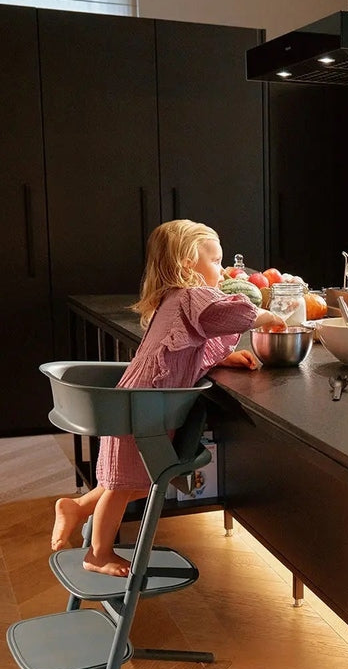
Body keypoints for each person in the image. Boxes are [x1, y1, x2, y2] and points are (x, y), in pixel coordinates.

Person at [51, 219, 284, 576]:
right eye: (216, 261)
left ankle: (78, 507)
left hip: (144, 403)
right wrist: (265, 315)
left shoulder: (174, 298)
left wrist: (223, 357)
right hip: (142, 406)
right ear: (188, 262)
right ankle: (97, 554)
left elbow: (184, 347)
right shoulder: (192, 295)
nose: (221, 271)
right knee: (121, 486)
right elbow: (226, 314)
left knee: (136, 479)